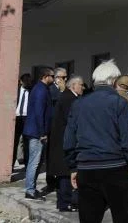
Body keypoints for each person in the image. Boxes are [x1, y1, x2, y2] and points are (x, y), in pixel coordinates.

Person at [64, 60, 128, 223]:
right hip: (115, 167)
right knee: (123, 217)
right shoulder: (120, 103)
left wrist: (73, 166)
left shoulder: (79, 104)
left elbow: (69, 139)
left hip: (87, 168)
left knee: (89, 218)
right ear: (114, 81)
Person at [48, 75, 83, 212]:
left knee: (65, 174)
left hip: (61, 141)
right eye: (80, 85)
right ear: (73, 85)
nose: (82, 87)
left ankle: (64, 202)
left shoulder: (67, 97)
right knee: (65, 174)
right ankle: (65, 203)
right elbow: (72, 121)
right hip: (64, 142)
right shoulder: (70, 99)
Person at [24, 66, 54, 200]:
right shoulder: (41, 90)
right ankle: (30, 190)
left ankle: (31, 188)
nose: (53, 79)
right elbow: (39, 112)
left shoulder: (41, 89)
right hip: (37, 132)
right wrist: (42, 132)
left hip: (36, 130)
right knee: (34, 161)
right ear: (45, 76)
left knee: (36, 160)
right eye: (52, 76)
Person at [14, 74, 32, 169]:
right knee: (14, 142)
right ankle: (11, 164)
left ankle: (27, 164)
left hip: (27, 118)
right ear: (21, 81)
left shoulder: (32, 91)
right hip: (16, 118)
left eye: (29, 81)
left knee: (26, 143)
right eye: (25, 81)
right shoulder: (15, 91)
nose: (27, 83)